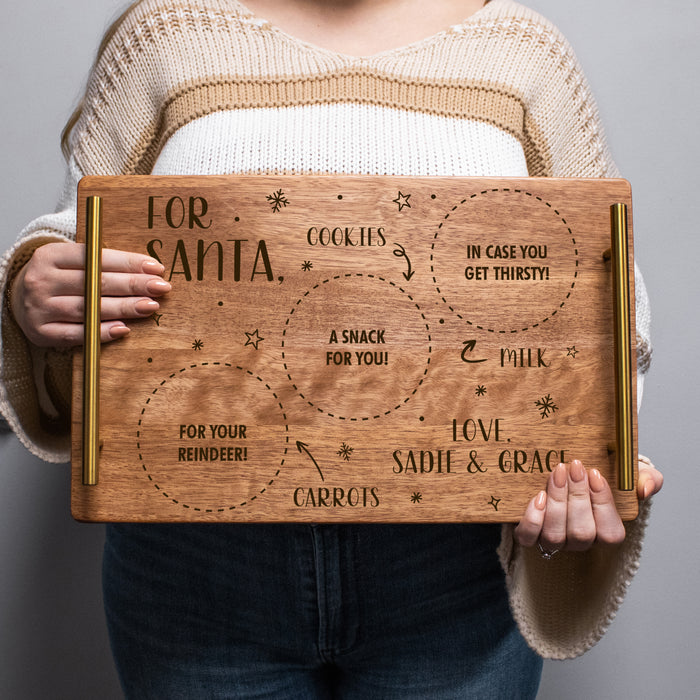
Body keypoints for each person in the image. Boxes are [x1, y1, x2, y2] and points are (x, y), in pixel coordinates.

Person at [0, 0, 663, 697]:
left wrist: (593, 462)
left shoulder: (526, 54)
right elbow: (86, 230)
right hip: (194, 549)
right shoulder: (164, 36)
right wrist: (33, 285)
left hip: (455, 556)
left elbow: (609, 288)